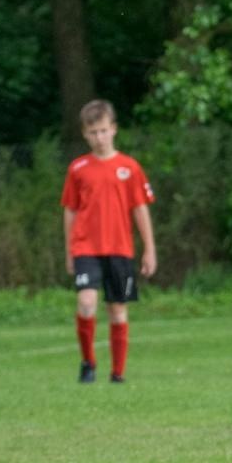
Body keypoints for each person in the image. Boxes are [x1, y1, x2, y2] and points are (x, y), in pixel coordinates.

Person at [61, 99, 157, 384]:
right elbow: (70, 210)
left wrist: (149, 249)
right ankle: (88, 363)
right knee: (87, 302)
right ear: (84, 134)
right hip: (85, 247)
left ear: (113, 129)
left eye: (103, 131)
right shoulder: (78, 168)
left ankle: (118, 373)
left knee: (117, 309)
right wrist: (69, 250)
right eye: (93, 132)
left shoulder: (129, 167)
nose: (99, 137)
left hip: (119, 248)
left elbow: (140, 209)